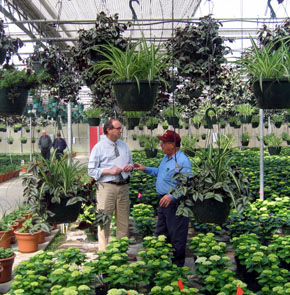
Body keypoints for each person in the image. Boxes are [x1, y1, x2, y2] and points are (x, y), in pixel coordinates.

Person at [134, 130, 192, 267]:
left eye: (164, 142)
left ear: (172, 145)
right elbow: (159, 172)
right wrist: (145, 168)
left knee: (177, 237)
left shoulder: (182, 161)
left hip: (176, 204)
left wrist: (172, 196)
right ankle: (162, 266)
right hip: (164, 203)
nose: (161, 145)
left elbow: (188, 184)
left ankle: (177, 270)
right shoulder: (166, 158)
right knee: (161, 234)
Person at [88, 119, 133, 251]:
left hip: (123, 186)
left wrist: (129, 167)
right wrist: (109, 171)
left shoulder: (124, 146)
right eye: (118, 128)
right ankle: (104, 254)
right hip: (106, 187)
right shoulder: (99, 147)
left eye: (121, 128)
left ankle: (121, 252)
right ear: (109, 130)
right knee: (104, 221)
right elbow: (91, 170)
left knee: (123, 221)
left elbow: (130, 161)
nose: (121, 130)